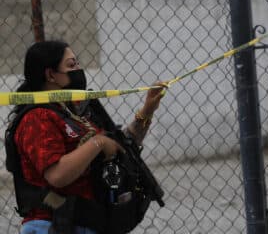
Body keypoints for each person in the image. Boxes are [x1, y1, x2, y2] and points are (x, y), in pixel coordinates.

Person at [7, 40, 166, 234]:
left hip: (87, 221)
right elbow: (57, 175)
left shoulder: (74, 109)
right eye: (71, 65)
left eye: (78, 64)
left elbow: (122, 146)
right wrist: (97, 143)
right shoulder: (38, 117)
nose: (78, 70)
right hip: (53, 225)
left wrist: (148, 110)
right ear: (50, 75)